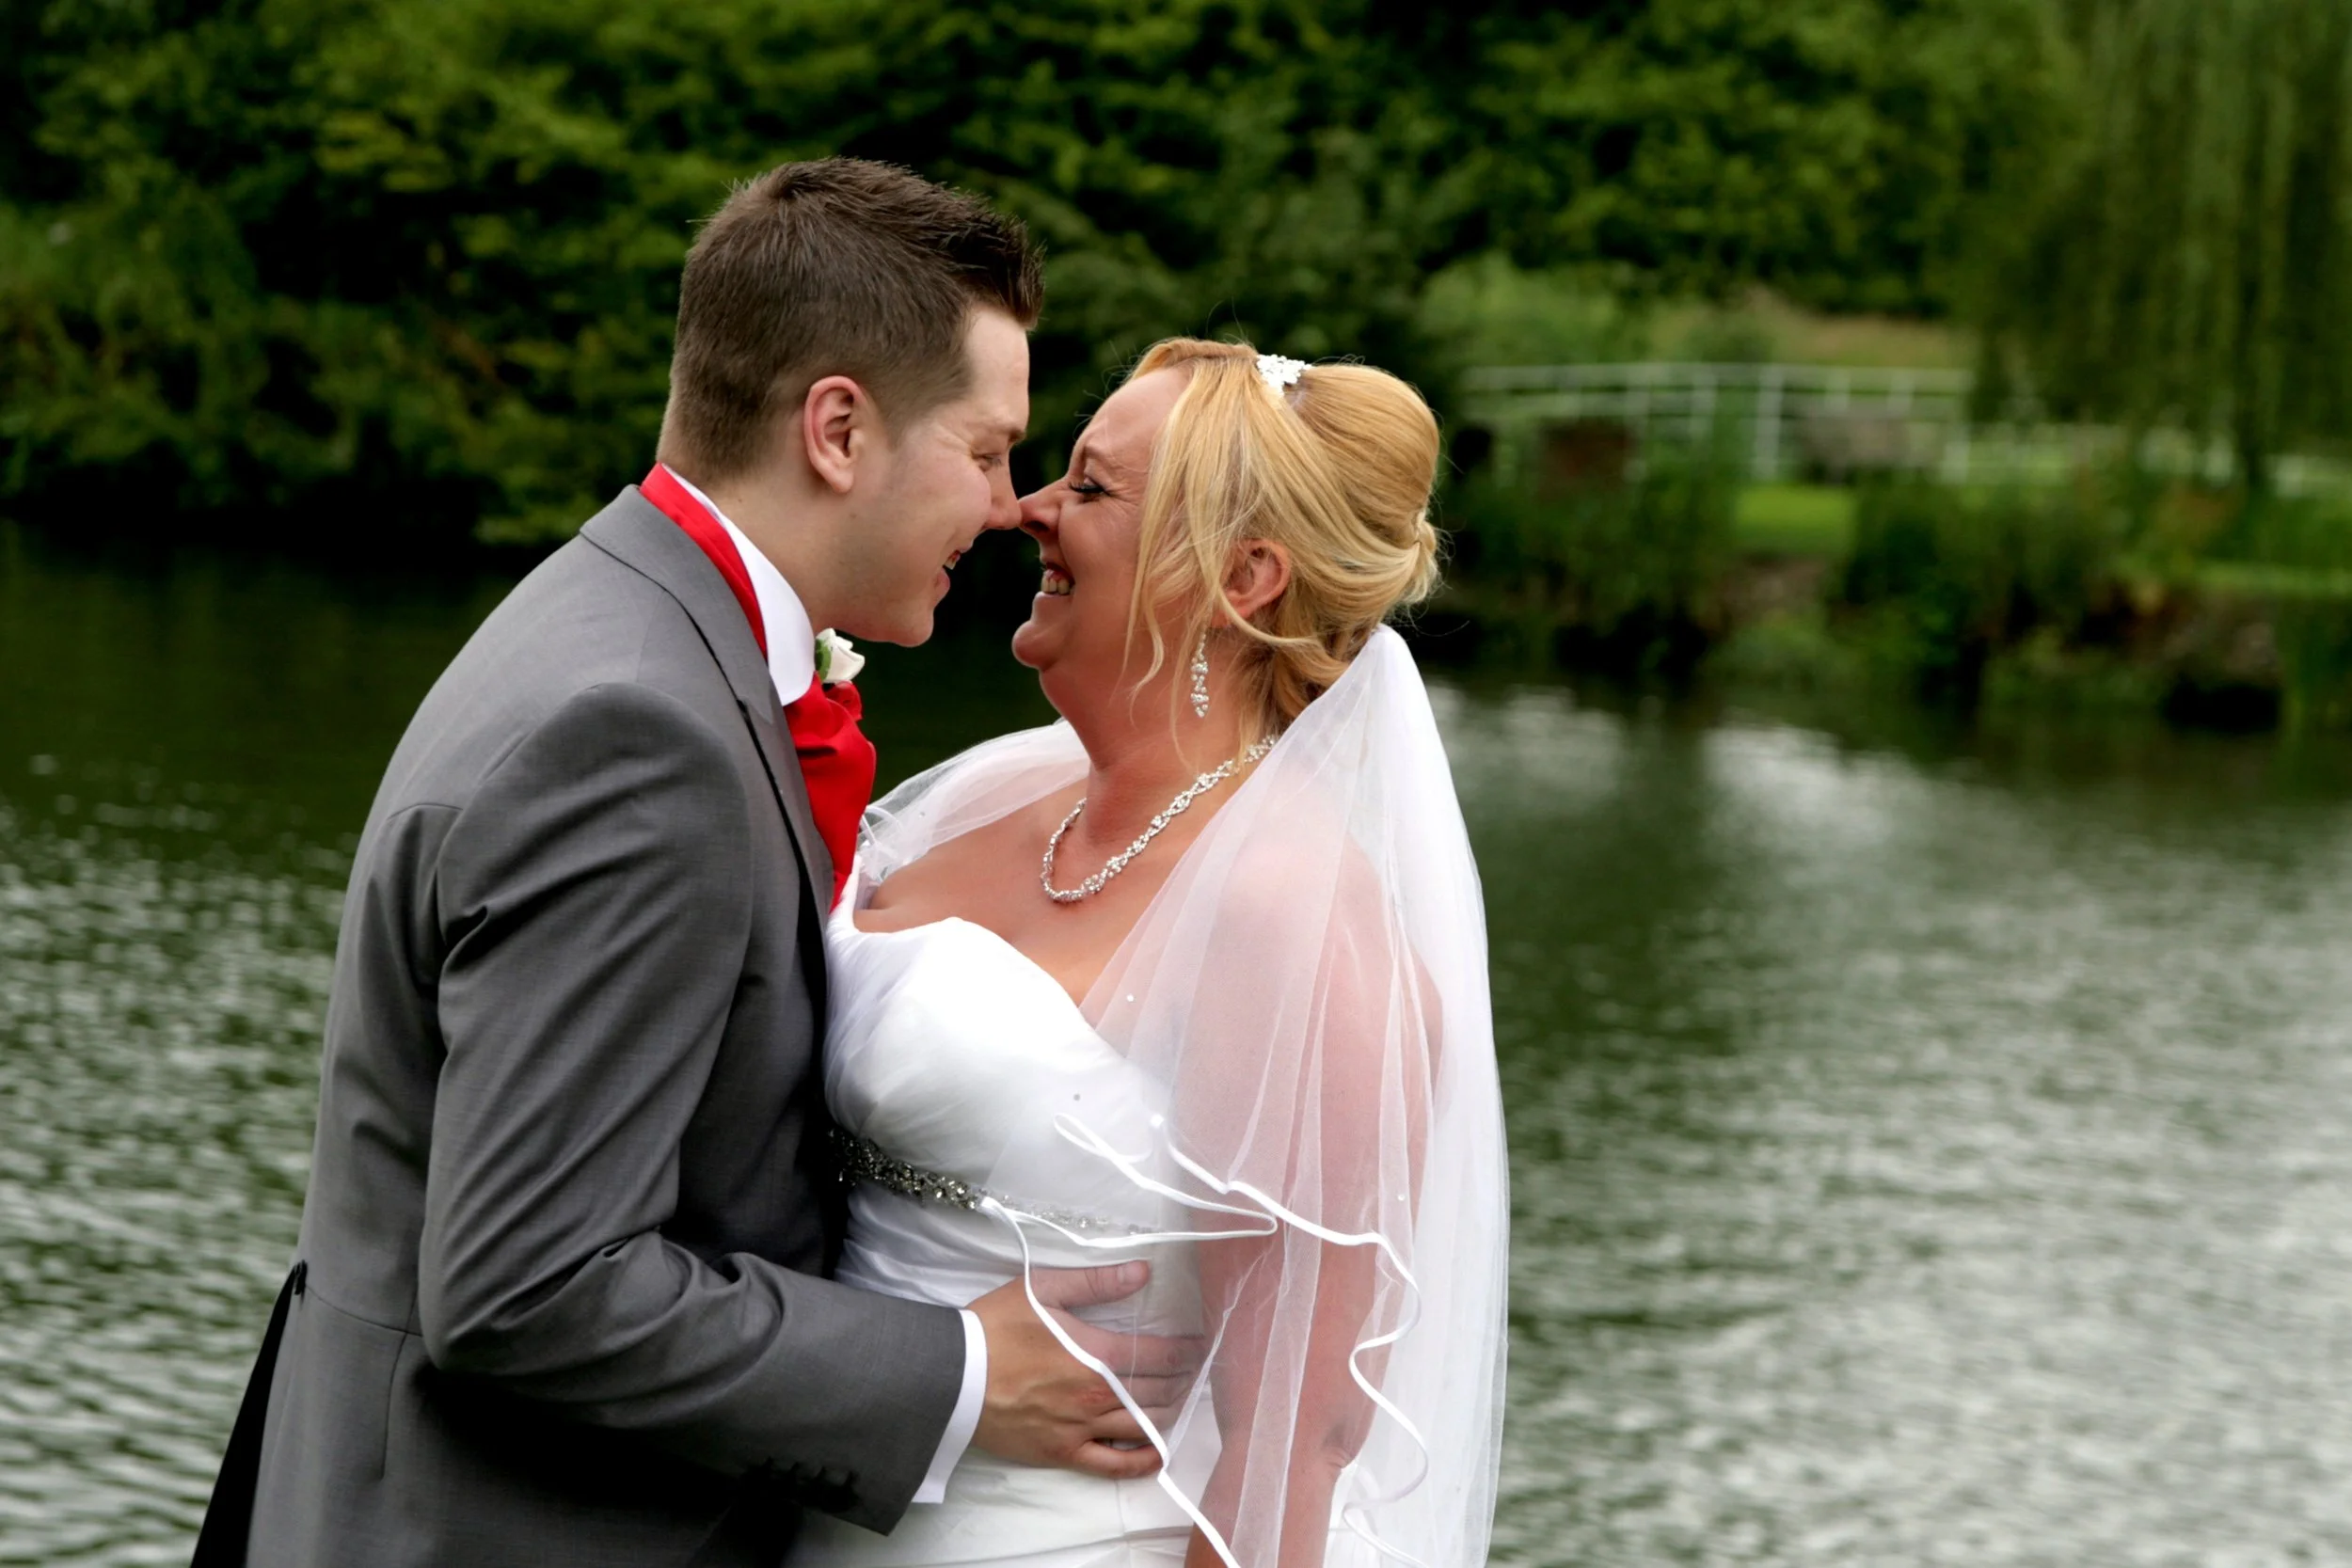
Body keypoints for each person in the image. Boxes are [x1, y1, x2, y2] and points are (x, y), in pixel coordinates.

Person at [191, 159, 1193, 1568]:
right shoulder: (638, 734)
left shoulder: (618, 619)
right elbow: (529, 1283)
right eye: (985, 450)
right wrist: (961, 1372)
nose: (1009, 504)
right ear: (838, 429)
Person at [794, 340, 1507, 1568]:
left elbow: (1295, 1436)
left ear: (1242, 575)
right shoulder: (980, 801)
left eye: (1089, 486)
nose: (1026, 510)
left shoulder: (1297, 917)